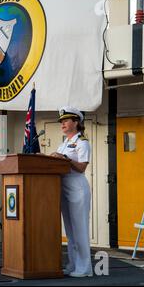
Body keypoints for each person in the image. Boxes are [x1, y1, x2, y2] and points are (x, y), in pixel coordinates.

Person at [51, 106, 93, 277]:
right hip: (63, 187)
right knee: (69, 231)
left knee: (80, 229)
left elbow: (82, 167)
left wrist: (65, 159)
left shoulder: (82, 142)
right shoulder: (63, 144)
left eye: (66, 120)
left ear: (76, 122)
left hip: (77, 188)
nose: (62, 123)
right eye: (61, 121)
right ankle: (73, 264)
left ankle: (85, 268)